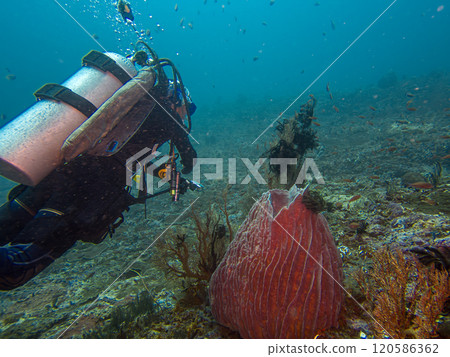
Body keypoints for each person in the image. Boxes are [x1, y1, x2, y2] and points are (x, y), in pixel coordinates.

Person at [0, 48, 198, 290]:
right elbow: (189, 159)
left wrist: (173, 178)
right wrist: (185, 168)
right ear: (177, 99)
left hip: (65, 170)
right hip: (90, 190)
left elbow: (139, 156)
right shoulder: (169, 118)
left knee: (12, 217)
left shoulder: (131, 107)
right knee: (16, 268)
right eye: (188, 108)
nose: (186, 113)